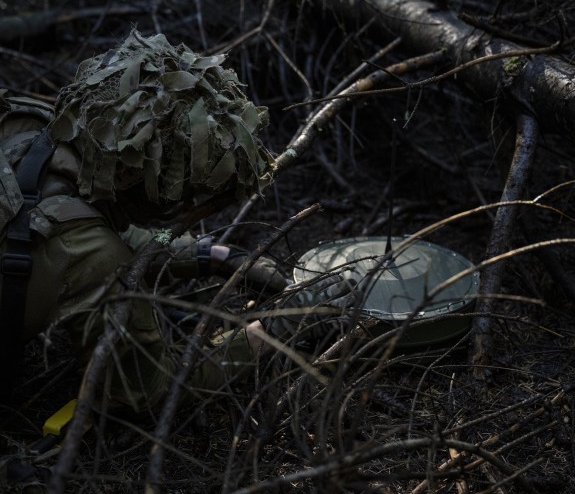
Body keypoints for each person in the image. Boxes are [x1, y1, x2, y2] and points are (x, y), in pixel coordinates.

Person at [0, 30, 356, 415]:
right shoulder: (90, 252)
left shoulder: (26, 123)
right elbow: (149, 393)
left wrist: (212, 255)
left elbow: (62, 221)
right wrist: (275, 330)